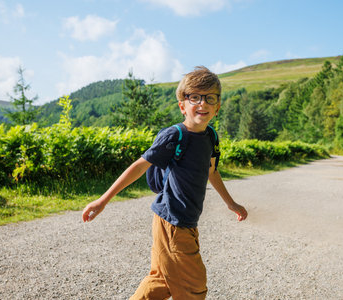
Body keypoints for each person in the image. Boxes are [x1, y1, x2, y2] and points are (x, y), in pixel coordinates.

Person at [82, 66, 248, 300]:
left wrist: (230, 203)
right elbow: (139, 166)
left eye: (210, 98)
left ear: (217, 107)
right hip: (172, 222)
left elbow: (212, 171)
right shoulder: (174, 135)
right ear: (183, 105)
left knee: (161, 281)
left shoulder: (210, 136)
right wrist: (102, 200)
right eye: (195, 97)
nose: (203, 103)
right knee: (194, 287)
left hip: (186, 222)